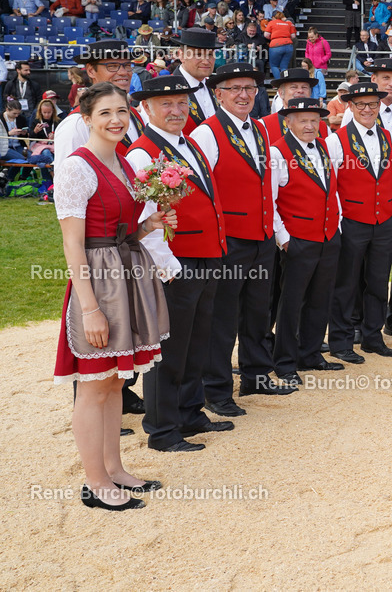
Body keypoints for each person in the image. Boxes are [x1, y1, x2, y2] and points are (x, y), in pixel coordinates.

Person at [53, 82, 172, 506]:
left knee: (115, 383)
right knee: (93, 384)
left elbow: (120, 228)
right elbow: (73, 244)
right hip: (99, 282)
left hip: (126, 272)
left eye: (121, 111)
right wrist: (89, 309)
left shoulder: (123, 162)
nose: (116, 120)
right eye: (105, 113)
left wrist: (148, 225)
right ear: (86, 119)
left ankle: (115, 469)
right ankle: (95, 482)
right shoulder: (76, 167)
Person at [127, 76, 233, 444]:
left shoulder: (188, 144)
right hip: (175, 262)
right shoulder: (142, 153)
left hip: (206, 255)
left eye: (181, 103)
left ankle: (190, 413)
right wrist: (167, 266)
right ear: (147, 109)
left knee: (196, 342)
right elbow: (145, 217)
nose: (176, 111)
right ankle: (162, 428)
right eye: (166, 104)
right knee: (169, 348)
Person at [191, 62, 296, 411]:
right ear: (218, 93)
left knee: (257, 312)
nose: (243, 95)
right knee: (222, 318)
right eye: (234, 88)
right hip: (230, 239)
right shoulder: (207, 132)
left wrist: (275, 231)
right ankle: (216, 390)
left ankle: (256, 377)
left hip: (261, 235)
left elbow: (266, 184)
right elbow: (200, 190)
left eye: (249, 88)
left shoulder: (262, 130)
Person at [325, 83, 392, 363]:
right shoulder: (335, 140)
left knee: (378, 282)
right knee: (345, 284)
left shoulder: (389, 138)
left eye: (373, 104)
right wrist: (339, 220)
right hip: (351, 221)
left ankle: (373, 337)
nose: (368, 110)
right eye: (361, 105)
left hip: (385, 220)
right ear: (350, 106)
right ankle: (341, 341)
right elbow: (330, 184)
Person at [269, 97, 343, 382]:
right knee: (291, 303)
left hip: (328, 236)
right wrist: (284, 239)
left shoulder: (324, 145)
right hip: (298, 239)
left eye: (315, 120)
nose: (310, 125)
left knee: (320, 299)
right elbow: (271, 201)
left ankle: (310, 354)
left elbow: (330, 188)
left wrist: (337, 226)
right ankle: (285, 363)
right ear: (288, 122)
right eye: (303, 120)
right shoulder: (277, 152)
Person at [166, 28, 221, 135]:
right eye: (198, 54)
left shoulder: (216, 88)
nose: (206, 62)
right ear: (181, 55)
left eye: (210, 55)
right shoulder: (165, 89)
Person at [265, 11, 297, 79]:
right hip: (288, 45)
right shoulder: (288, 23)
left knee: (274, 65)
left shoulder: (271, 23)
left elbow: (266, 35)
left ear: (274, 17)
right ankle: (284, 82)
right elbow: (293, 36)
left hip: (276, 46)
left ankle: (279, 83)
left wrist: (272, 38)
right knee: (284, 66)